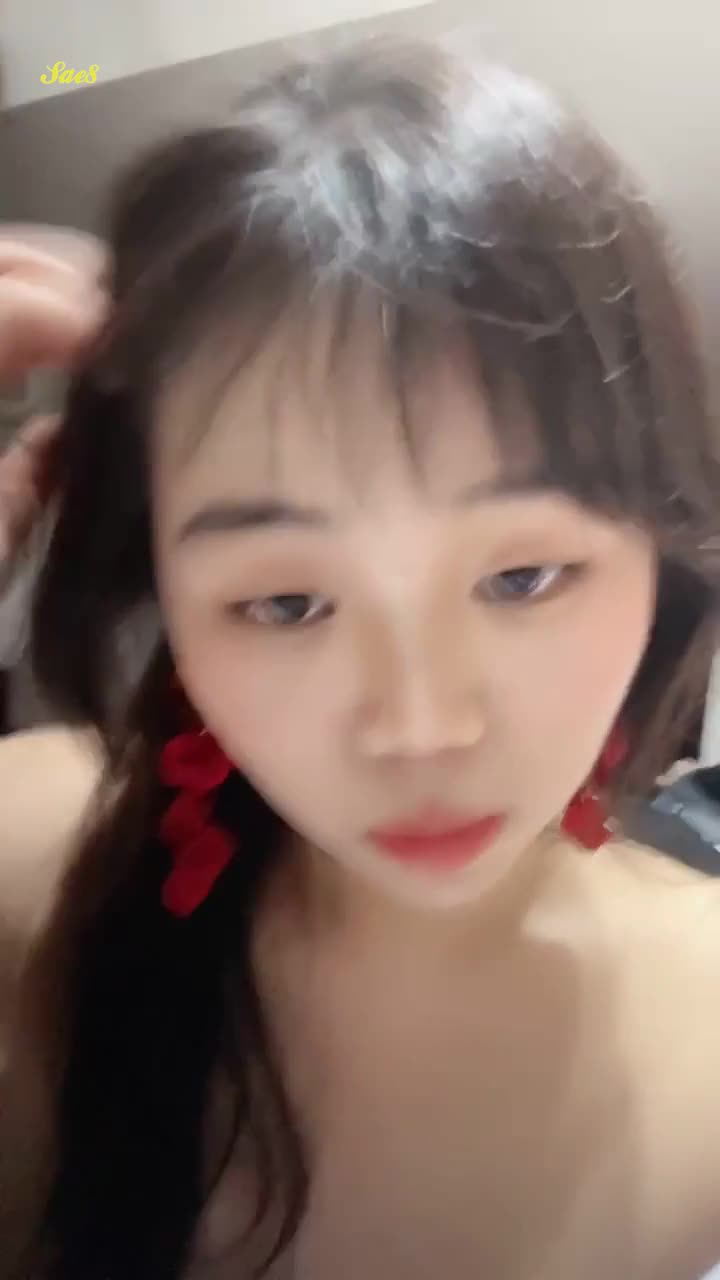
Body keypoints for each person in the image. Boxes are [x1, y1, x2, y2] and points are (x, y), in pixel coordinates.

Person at [3, 35, 720, 1280]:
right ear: (161, 585)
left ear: (661, 546)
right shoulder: (24, 869)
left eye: (522, 576)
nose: (419, 724)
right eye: (287, 601)